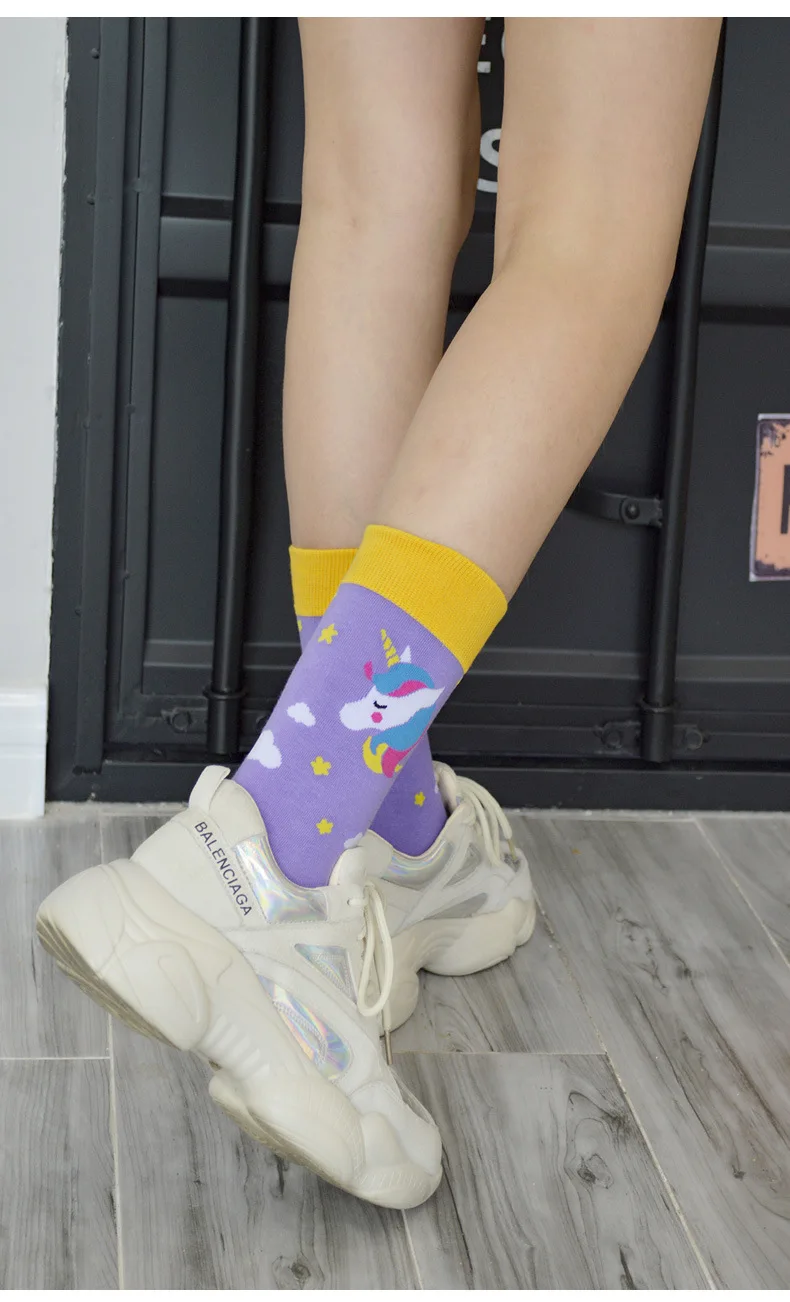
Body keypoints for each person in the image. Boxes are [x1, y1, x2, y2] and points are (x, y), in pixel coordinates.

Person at [36, 17, 722, 1209]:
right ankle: (271, 850)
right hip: (253, 863)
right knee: (590, 232)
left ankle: (394, 833)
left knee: (372, 203)